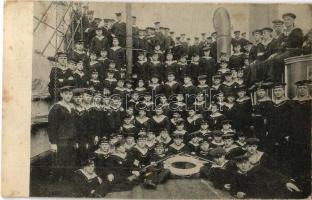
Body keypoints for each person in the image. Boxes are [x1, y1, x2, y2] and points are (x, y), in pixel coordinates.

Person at [230, 155, 301, 199]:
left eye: (245, 162)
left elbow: (275, 175)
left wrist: (286, 182)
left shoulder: (258, 169)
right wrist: (237, 193)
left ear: (249, 162)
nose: (243, 165)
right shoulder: (236, 175)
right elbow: (233, 188)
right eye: (240, 163)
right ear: (237, 165)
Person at [48, 85, 78, 182]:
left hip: (71, 138)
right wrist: (53, 143)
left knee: (69, 159)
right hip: (61, 139)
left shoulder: (72, 107)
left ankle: (67, 179)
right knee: (60, 160)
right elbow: (52, 126)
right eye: (66, 94)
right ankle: (56, 182)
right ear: (61, 94)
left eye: (70, 94)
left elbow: (74, 124)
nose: (69, 96)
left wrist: (75, 139)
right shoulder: (56, 108)